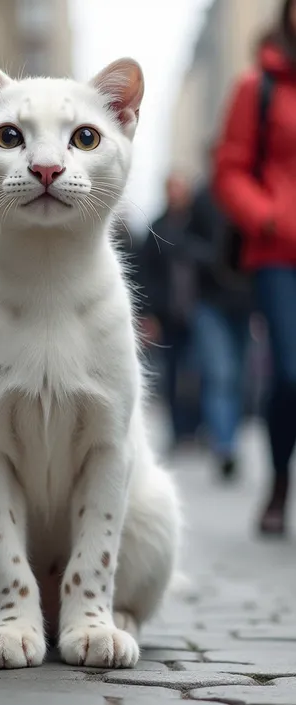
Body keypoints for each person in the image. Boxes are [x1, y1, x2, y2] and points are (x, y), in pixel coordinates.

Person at [214, 0, 296, 535]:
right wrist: (266, 218)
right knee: (289, 373)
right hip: (277, 254)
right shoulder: (257, 85)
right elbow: (229, 169)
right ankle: (279, 481)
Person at [187, 180, 253, 480]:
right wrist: (212, 258)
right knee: (220, 374)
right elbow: (186, 241)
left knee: (237, 377)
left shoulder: (253, 194)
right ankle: (224, 446)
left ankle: (229, 440)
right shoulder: (204, 196)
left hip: (245, 302)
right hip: (210, 303)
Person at [140, 174, 200, 450]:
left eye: (180, 190)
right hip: (168, 314)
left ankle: (198, 428)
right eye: (171, 190)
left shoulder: (198, 223)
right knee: (173, 373)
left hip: (200, 310)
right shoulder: (156, 228)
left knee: (203, 370)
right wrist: (148, 314)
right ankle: (179, 432)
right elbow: (145, 276)